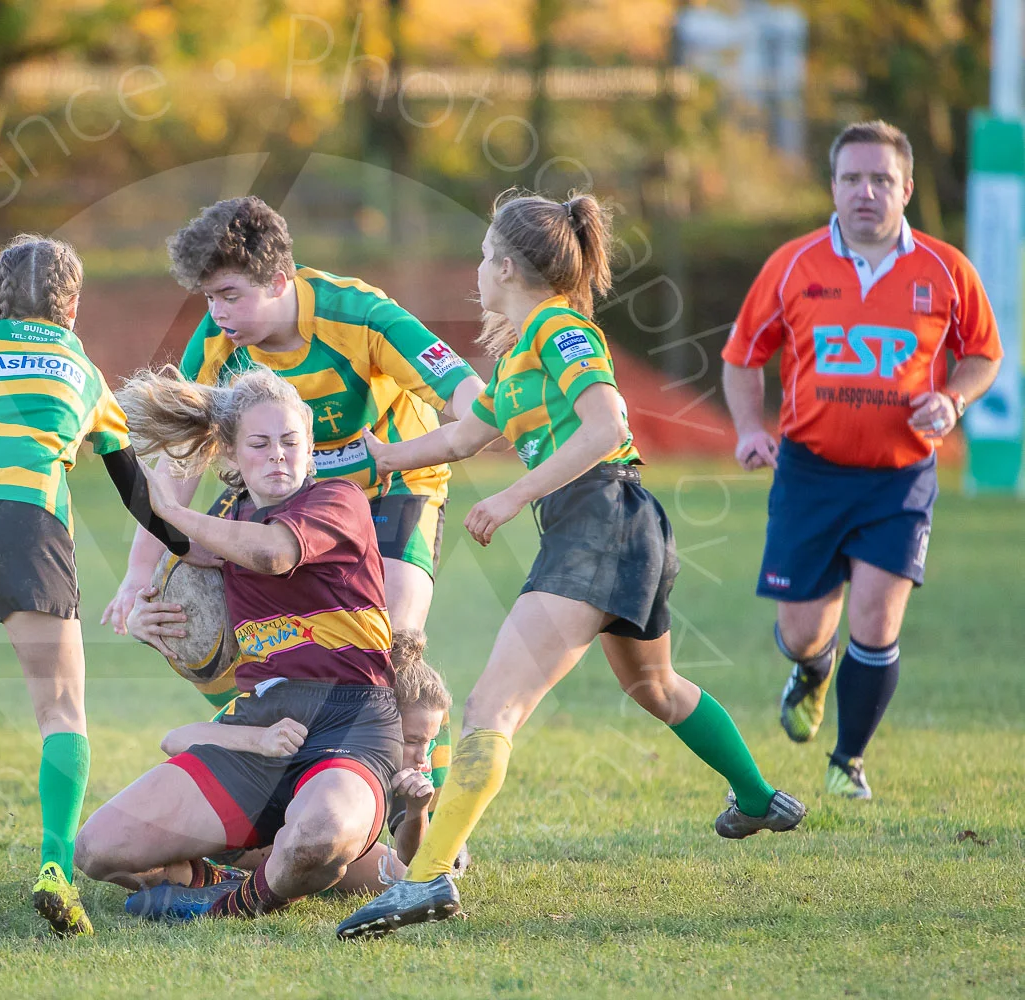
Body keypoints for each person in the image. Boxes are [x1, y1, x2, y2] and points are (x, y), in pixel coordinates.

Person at [337, 189, 807, 941]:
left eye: (485, 256)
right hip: (621, 525)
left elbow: (607, 426)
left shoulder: (561, 328)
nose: (478, 270)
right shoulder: (522, 351)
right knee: (654, 686)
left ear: (506, 266)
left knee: (492, 707)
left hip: (601, 519)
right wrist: (372, 459)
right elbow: (461, 438)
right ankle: (757, 798)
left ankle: (424, 882)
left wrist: (516, 495)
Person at [0, 235, 188, 937]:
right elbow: (135, 488)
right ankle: (53, 870)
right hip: (28, 519)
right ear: (72, 305)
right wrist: (185, 546)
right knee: (59, 707)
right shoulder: (82, 367)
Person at [721, 121, 1002, 799]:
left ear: (906, 188)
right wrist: (748, 430)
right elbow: (742, 356)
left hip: (899, 477)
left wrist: (954, 400)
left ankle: (848, 761)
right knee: (800, 633)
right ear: (833, 187)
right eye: (852, 178)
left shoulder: (945, 269)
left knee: (876, 623)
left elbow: (983, 354)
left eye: (881, 179)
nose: (866, 191)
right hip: (809, 474)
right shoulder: (793, 264)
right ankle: (811, 671)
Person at [73, 366, 404, 922]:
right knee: (99, 850)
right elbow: (171, 539)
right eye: (260, 443)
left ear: (309, 446)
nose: (278, 455)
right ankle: (237, 870)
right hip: (258, 725)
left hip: (350, 720)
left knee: (319, 835)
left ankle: (230, 904)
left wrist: (177, 512)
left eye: (290, 441)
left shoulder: (337, 500)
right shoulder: (228, 521)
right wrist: (156, 628)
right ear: (229, 453)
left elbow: (272, 553)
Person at [102, 196, 485, 638]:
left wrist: (415, 449)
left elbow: (468, 396)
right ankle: (257, 705)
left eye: (230, 295)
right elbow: (179, 462)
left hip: (393, 488)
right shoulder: (216, 342)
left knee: (391, 637)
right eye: (209, 297)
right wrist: (141, 569)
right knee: (198, 625)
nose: (217, 312)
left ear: (279, 282)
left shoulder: (360, 315)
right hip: (283, 495)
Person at [143, 628, 458, 892]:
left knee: (403, 880)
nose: (422, 756)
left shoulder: (406, 765)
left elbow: (414, 863)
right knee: (138, 864)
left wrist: (417, 810)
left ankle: (233, 881)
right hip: (239, 832)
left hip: (302, 835)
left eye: (429, 743)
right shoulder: (305, 714)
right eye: (412, 740)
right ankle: (222, 880)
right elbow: (173, 740)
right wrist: (260, 740)